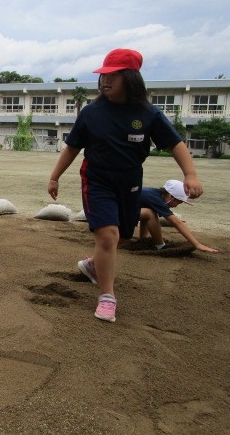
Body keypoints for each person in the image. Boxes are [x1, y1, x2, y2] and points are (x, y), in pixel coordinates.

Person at [47, 48, 204, 323]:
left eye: (114, 76)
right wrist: (54, 176)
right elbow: (72, 147)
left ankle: (94, 265)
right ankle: (107, 297)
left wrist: (190, 175)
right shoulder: (91, 113)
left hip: (130, 181)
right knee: (108, 235)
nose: (106, 81)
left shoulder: (148, 114)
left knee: (121, 236)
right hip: (97, 179)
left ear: (130, 79)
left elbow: (175, 144)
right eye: (103, 75)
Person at [139, 179, 218, 253]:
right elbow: (176, 222)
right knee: (150, 213)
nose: (176, 206)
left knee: (150, 211)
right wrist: (197, 244)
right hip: (130, 215)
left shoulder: (154, 193)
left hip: (131, 213)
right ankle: (160, 246)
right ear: (170, 196)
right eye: (178, 202)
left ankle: (143, 240)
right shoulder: (156, 199)